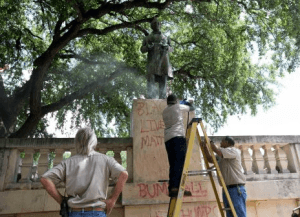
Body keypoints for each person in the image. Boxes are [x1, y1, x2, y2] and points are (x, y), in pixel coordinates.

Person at [40, 127, 128, 217]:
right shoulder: (106, 160)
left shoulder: (68, 163)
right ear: (94, 141)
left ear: (76, 142)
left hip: (74, 213)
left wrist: (62, 200)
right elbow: (123, 174)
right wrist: (112, 200)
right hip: (97, 212)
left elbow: (45, 179)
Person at [201, 136, 247, 217]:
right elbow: (210, 159)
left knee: (238, 214)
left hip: (236, 189)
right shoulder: (222, 155)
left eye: (222, 141)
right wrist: (205, 148)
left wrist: (210, 142)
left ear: (227, 143)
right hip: (227, 189)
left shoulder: (233, 151)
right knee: (230, 214)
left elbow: (217, 151)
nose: (221, 143)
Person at [162, 94, 195, 197]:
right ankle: (178, 188)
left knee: (173, 164)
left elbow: (177, 105)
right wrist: (187, 102)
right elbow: (192, 108)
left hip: (168, 139)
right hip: (177, 138)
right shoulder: (178, 107)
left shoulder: (165, 111)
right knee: (180, 164)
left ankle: (172, 188)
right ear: (176, 101)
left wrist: (181, 102)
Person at [141, 17, 173, 99]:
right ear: (151, 26)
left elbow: (171, 49)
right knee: (151, 78)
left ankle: (162, 97)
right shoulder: (147, 38)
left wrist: (167, 47)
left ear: (160, 25)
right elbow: (142, 49)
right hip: (152, 61)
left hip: (163, 60)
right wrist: (148, 47)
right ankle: (151, 97)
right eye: (154, 23)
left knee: (163, 78)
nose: (157, 25)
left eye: (158, 23)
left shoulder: (166, 37)